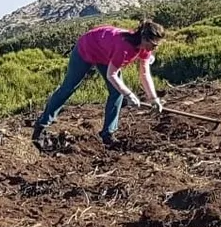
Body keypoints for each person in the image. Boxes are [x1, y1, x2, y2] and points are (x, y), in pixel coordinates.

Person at [31, 20, 165, 148]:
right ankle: (41, 126)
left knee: (116, 91)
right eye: (154, 44)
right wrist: (129, 94)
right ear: (144, 38)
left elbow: (144, 73)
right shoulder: (124, 48)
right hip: (87, 48)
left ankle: (108, 134)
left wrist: (153, 99)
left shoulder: (146, 48)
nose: (154, 48)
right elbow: (111, 75)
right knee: (68, 88)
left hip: (104, 53)